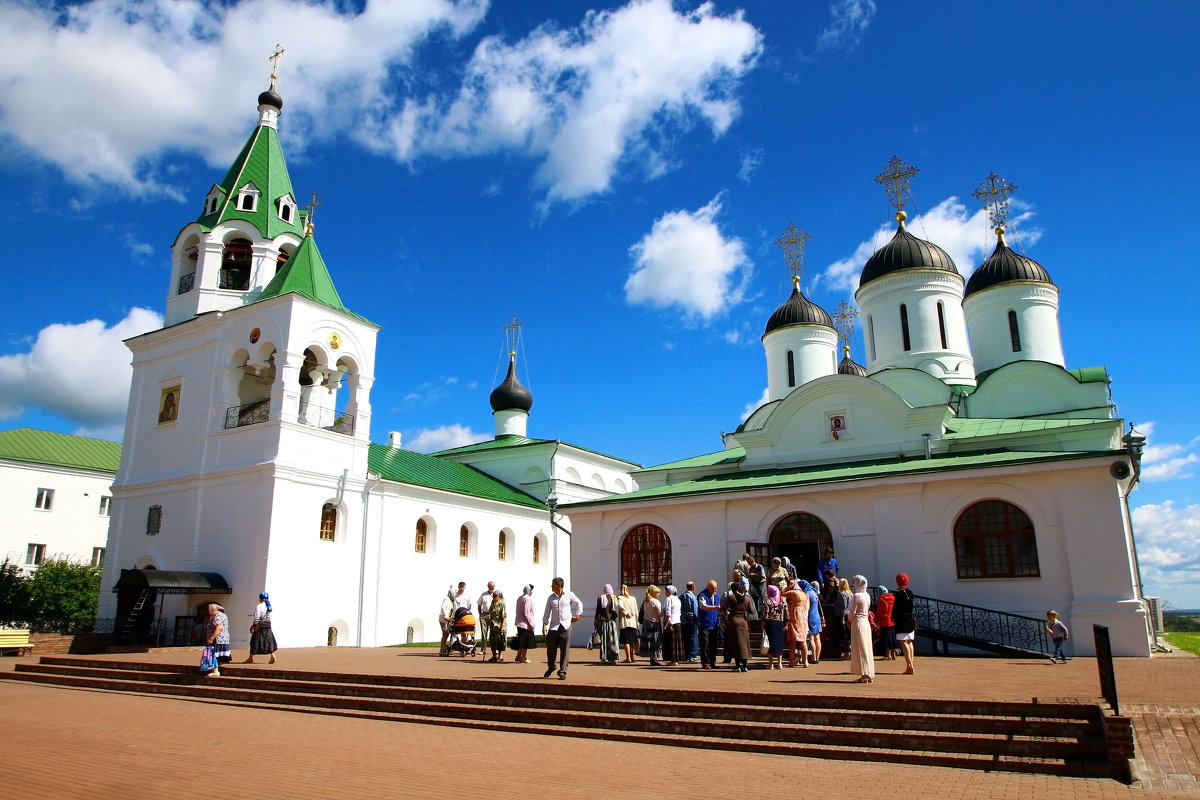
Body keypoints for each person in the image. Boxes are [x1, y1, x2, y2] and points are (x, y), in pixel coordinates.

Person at [542, 577, 583, 680]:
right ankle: (551, 666)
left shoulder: (569, 595)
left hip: (565, 625)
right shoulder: (551, 598)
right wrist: (544, 624)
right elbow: (547, 612)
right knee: (550, 649)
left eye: (553, 584)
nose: (551, 586)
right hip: (554, 626)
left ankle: (562, 671)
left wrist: (578, 615)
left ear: (559, 585)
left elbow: (579, 604)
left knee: (564, 650)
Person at [720, 582, 754, 672]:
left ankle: (737, 666)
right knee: (744, 645)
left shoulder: (731, 597)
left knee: (736, 645)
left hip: (733, 623)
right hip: (744, 623)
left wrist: (718, 608)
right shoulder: (747, 598)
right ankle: (745, 666)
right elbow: (752, 611)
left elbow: (723, 608)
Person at [848, 575, 875, 683]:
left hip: (858, 623)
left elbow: (852, 612)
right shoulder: (867, 595)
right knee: (866, 648)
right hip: (865, 623)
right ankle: (868, 673)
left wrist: (849, 620)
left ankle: (864, 675)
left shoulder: (857, 596)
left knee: (860, 648)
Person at [244, 591, 277, 664]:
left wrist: (254, 625)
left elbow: (257, 617)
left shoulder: (259, 606)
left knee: (254, 641)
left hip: (260, 627)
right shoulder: (269, 607)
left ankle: (250, 658)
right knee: (268, 641)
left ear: (261, 598)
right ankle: (273, 656)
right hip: (268, 625)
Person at [893, 573, 916, 675]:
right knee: (910, 641)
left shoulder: (898, 594)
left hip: (901, 619)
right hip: (910, 618)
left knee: (903, 641)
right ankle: (911, 664)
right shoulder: (910, 592)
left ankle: (909, 665)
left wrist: (893, 617)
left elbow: (896, 608)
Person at [782, 579, 809, 667]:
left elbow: (780, 593)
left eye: (792, 584)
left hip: (795, 617)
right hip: (803, 618)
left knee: (794, 641)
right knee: (800, 640)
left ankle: (791, 662)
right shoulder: (805, 594)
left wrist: (788, 587)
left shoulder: (794, 592)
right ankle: (805, 662)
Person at [697, 579, 721, 670]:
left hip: (714, 623)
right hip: (704, 623)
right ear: (708, 587)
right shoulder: (702, 595)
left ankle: (712, 662)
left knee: (713, 644)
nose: (714, 590)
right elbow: (702, 606)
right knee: (705, 644)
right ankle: (705, 663)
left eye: (715, 588)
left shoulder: (717, 596)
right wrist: (715, 607)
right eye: (713, 588)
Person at [762, 584, 787, 669]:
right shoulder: (782, 601)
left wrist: (763, 624)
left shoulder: (768, 601)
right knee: (779, 643)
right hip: (780, 623)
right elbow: (787, 614)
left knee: (770, 643)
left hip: (770, 623)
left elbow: (765, 614)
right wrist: (786, 624)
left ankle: (771, 664)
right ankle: (779, 663)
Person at [594, 584, 620, 664]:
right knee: (612, 641)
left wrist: (596, 622)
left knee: (604, 640)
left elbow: (598, 611)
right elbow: (616, 610)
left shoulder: (600, 598)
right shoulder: (614, 597)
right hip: (612, 622)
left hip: (603, 622)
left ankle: (603, 658)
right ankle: (612, 658)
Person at [203, 603, 231, 677]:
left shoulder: (218, 616)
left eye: (209, 610)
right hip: (221, 639)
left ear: (213, 610)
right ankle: (215, 668)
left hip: (218, 639)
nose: (208, 612)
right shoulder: (217, 616)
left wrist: (211, 638)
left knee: (214, 654)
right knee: (217, 655)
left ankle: (215, 671)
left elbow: (218, 628)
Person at [639, 585, 664, 666]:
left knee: (649, 641)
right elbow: (659, 614)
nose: (659, 594)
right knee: (655, 641)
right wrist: (664, 612)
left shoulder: (645, 601)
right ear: (653, 593)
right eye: (657, 592)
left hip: (646, 623)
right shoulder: (656, 602)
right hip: (654, 624)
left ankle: (651, 658)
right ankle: (654, 658)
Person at [616, 584, 639, 663]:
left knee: (626, 641)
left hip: (625, 622)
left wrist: (626, 613)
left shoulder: (620, 598)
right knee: (632, 641)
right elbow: (636, 611)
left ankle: (628, 657)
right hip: (633, 622)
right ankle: (631, 657)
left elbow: (620, 606)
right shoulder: (633, 598)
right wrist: (637, 622)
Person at [514, 584, 536, 663]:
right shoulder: (527, 599)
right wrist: (531, 623)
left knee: (521, 640)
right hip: (525, 624)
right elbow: (527, 612)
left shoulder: (520, 598)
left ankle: (518, 656)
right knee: (525, 642)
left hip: (519, 622)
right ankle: (524, 657)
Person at [662, 585, 683, 666]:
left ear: (669, 591)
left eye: (666, 591)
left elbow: (668, 612)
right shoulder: (677, 599)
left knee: (671, 643)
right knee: (677, 643)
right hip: (678, 622)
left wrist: (665, 623)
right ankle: (677, 659)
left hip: (671, 623)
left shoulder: (668, 599)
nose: (665, 592)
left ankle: (673, 660)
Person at [804, 580, 824, 664]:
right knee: (817, 638)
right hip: (817, 616)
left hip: (811, 616)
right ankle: (817, 657)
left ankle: (813, 658)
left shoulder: (807, 593)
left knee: (811, 638)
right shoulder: (815, 593)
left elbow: (807, 607)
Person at [875, 585, 896, 660]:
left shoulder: (881, 599)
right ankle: (893, 654)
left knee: (885, 639)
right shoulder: (893, 598)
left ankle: (888, 655)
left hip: (884, 620)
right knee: (892, 638)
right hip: (892, 620)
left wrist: (876, 620)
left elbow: (880, 611)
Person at [680, 581, 699, 662]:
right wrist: (697, 620)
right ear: (693, 588)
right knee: (693, 637)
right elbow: (695, 610)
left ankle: (686, 655)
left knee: (685, 638)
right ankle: (692, 655)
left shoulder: (681, 596)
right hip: (691, 620)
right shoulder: (692, 597)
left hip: (683, 620)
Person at [477, 581, 496, 660]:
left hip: (492, 615)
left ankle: (493, 649)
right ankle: (483, 648)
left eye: (493, 586)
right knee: (484, 632)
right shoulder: (483, 594)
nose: (492, 587)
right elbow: (479, 604)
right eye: (490, 586)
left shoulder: (496, 595)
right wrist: (480, 614)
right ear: (488, 586)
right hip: (484, 615)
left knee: (493, 633)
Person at [488, 589, 507, 662]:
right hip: (493, 624)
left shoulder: (502, 603)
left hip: (499, 624)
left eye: (496, 596)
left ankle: (500, 656)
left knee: (500, 640)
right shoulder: (492, 602)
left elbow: (504, 616)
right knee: (492, 640)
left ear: (499, 596)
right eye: (493, 596)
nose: (494, 597)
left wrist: (503, 626)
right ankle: (494, 656)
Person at [438, 588, 455, 655]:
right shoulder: (446, 600)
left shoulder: (452, 600)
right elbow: (443, 607)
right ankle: (442, 650)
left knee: (448, 633)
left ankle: (445, 649)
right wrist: (446, 616)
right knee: (445, 634)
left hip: (448, 620)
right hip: (443, 620)